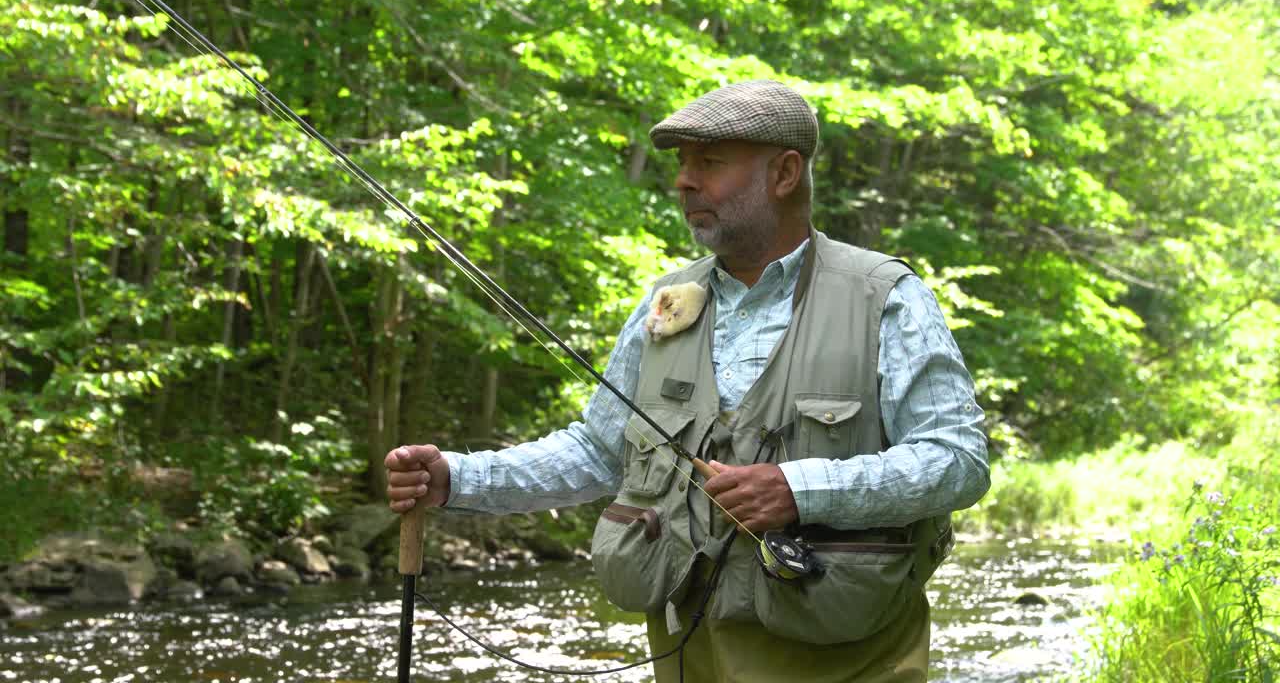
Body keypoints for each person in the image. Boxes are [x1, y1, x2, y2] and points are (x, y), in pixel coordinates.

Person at [385, 80, 990, 682]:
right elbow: (599, 453)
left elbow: (958, 459)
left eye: (711, 162)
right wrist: (457, 478)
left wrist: (798, 489)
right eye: (681, 163)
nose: (684, 180)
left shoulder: (885, 298)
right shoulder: (669, 303)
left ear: (783, 173)